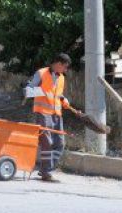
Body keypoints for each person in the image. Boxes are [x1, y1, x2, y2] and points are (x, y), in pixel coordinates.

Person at [24, 53, 110, 182]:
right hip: (43, 114)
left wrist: (64, 100)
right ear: (58, 64)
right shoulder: (41, 73)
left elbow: (58, 94)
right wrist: (43, 92)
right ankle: (46, 172)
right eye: (64, 67)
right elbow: (27, 91)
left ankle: (45, 169)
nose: (66, 70)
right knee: (47, 143)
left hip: (57, 115)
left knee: (60, 144)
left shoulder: (61, 78)